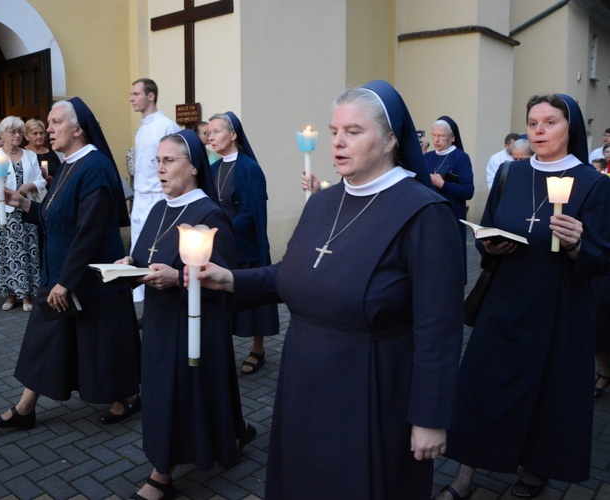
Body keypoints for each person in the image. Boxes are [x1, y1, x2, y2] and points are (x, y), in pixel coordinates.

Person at [193, 81, 464, 499]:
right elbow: (293, 273)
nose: (338, 142)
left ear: (391, 139)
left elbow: (439, 326)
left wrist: (430, 415)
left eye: (354, 132)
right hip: (304, 381)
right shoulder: (322, 203)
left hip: (373, 387)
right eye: (334, 131)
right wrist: (229, 279)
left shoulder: (424, 213)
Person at [438, 94, 610, 500]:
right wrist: (490, 247)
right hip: (506, 300)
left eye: (550, 122)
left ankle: (536, 468)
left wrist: (574, 245)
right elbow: (490, 226)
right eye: (533, 122)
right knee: (480, 384)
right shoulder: (510, 175)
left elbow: (601, 258)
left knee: (548, 391)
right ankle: (464, 474)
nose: (539, 130)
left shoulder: (593, 183)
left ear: (571, 129)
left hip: (559, 308)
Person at [0, 97, 140, 430]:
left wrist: (65, 282)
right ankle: (26, 408)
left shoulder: (94, 167)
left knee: (101, 343)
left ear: (78, 128)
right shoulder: (68, 163)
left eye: (55, 122)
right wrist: (22, 202)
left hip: (89, 280)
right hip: (63, 273)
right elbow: (55, 215)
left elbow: (89, 231)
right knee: (47, 339)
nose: (48, 129)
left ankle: (125, 397)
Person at [124, 129, 255, 500]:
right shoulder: (160, 208)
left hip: (196, 324)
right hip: (161, 320)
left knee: (176, 393)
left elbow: (222, 275)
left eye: (169, 161)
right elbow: (145, 255)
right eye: (157, 162)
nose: (160, 169)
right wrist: (128, 263)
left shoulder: (208, 214)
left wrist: (177, 278)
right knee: (177, 390)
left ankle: (161, 475)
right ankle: (233, 433)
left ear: (194, 167)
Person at [208, 111, 279, 374]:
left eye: (216, 131)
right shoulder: (213, 168)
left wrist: (223, 230)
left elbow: (251, 211)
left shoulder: (248, 167)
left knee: (252, 300)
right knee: (222, 301)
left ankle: (257, 348)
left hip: (246, 244)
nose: (210, 137)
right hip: (220, 245)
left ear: (233, 134)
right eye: (209, 133)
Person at [0, 116, 46, 312]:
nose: (17, 135)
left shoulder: (29, 156)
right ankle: (11, 294)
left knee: (27, 252)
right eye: (12, 132)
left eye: (19, 131)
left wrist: (29, 186)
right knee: (6, 254)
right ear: (2, 135)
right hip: (4, 211)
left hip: (26, 210)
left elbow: (40, 180)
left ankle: (27, 295)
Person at [129, 78, 180, 301]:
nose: (131, 99)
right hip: (141, 196)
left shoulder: (166, 126)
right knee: (139, 249)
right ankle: (142, 299)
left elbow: (174, 160)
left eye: (136, 94)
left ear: (151, 96)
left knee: (157, 249)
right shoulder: (141, 130)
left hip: (159, 196)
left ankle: (158, 296)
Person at [423, 116, 475, 276]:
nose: (437, 140)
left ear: (453, 138)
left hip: (451, 217)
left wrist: (443, 185)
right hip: (429, 218)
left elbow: (468, 191)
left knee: (451, 265)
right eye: (434, 135)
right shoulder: (427, 157)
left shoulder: (461, 157)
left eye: (442, 136)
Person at [24, 118, 61, 186]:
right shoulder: (23, 154)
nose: (39, 136)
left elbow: (61, 175)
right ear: (26, 136)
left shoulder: (51, 154)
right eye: (35, 133)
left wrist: (52, 180)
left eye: (41, 133)